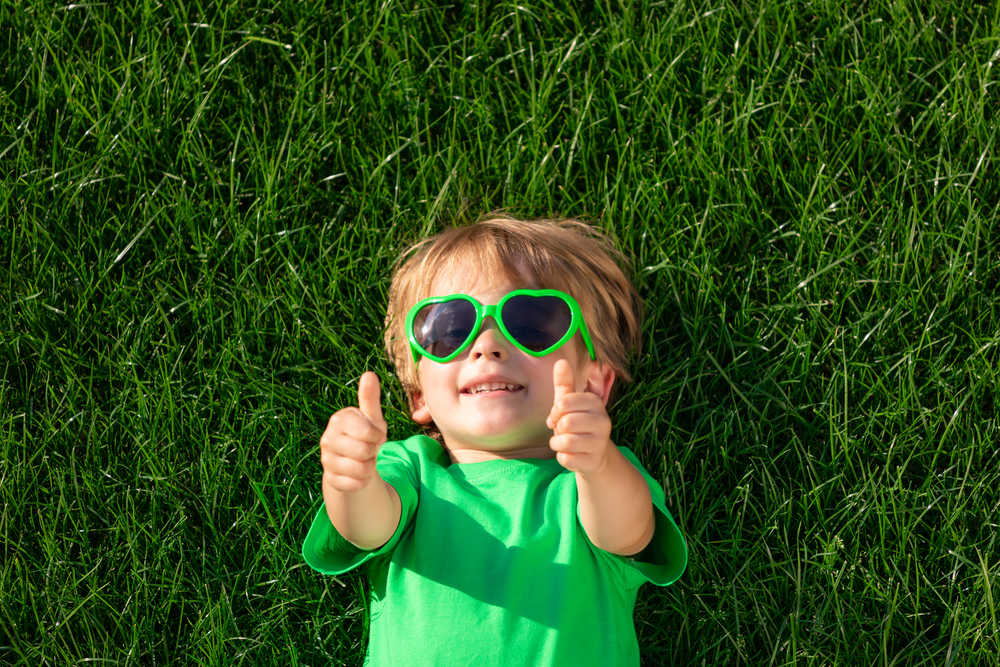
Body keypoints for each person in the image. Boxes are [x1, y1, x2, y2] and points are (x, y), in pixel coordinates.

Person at [302, 215, 687, 666]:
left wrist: (597, 463)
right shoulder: (411, 469)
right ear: (419, 395)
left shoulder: (594, 481)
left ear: (593, 385)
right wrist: (351, 480)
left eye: (531, 323)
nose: (487, 344)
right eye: (449, 330)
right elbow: (368, 527)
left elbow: (629, 534)